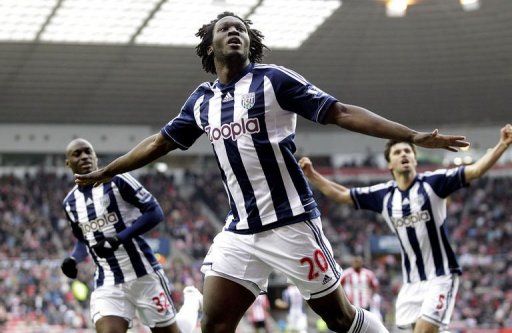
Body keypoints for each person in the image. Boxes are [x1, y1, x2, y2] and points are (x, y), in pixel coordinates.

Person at [74, 11, 469, 333]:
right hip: (239, 231)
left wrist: (413, 135)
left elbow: (341, 112)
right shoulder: (202, 101)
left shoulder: (274, 81)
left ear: (250, 42)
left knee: (339, 318)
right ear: (209, 46)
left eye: (241, 29)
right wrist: (108, 170)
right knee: (213, 324)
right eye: (225, 28)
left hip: (291, 224)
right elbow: (160, 143)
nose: (234, 33)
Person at [299, 124, 512, 333]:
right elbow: (343, 195)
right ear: (390, 164)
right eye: (398, 152)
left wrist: (502, 145)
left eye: (408, 151)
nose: (404, 155)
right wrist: (312, 175)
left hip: (441, 276)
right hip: (412, 282)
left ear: (415, 159)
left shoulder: (434, 183)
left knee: (424, 330)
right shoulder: (384, 195)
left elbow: (474, 171)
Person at [61, 138, 202, 333]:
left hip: (144, 275)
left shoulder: (118, 180)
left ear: (95, 156)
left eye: (88, 152)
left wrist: (119, 238)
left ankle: (193, 301)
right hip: (108, 280)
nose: (84, 156)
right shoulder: (70, 203)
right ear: (68, 162)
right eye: (77, 154)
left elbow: (155, 211)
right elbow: (83, 239)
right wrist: (73, 259)